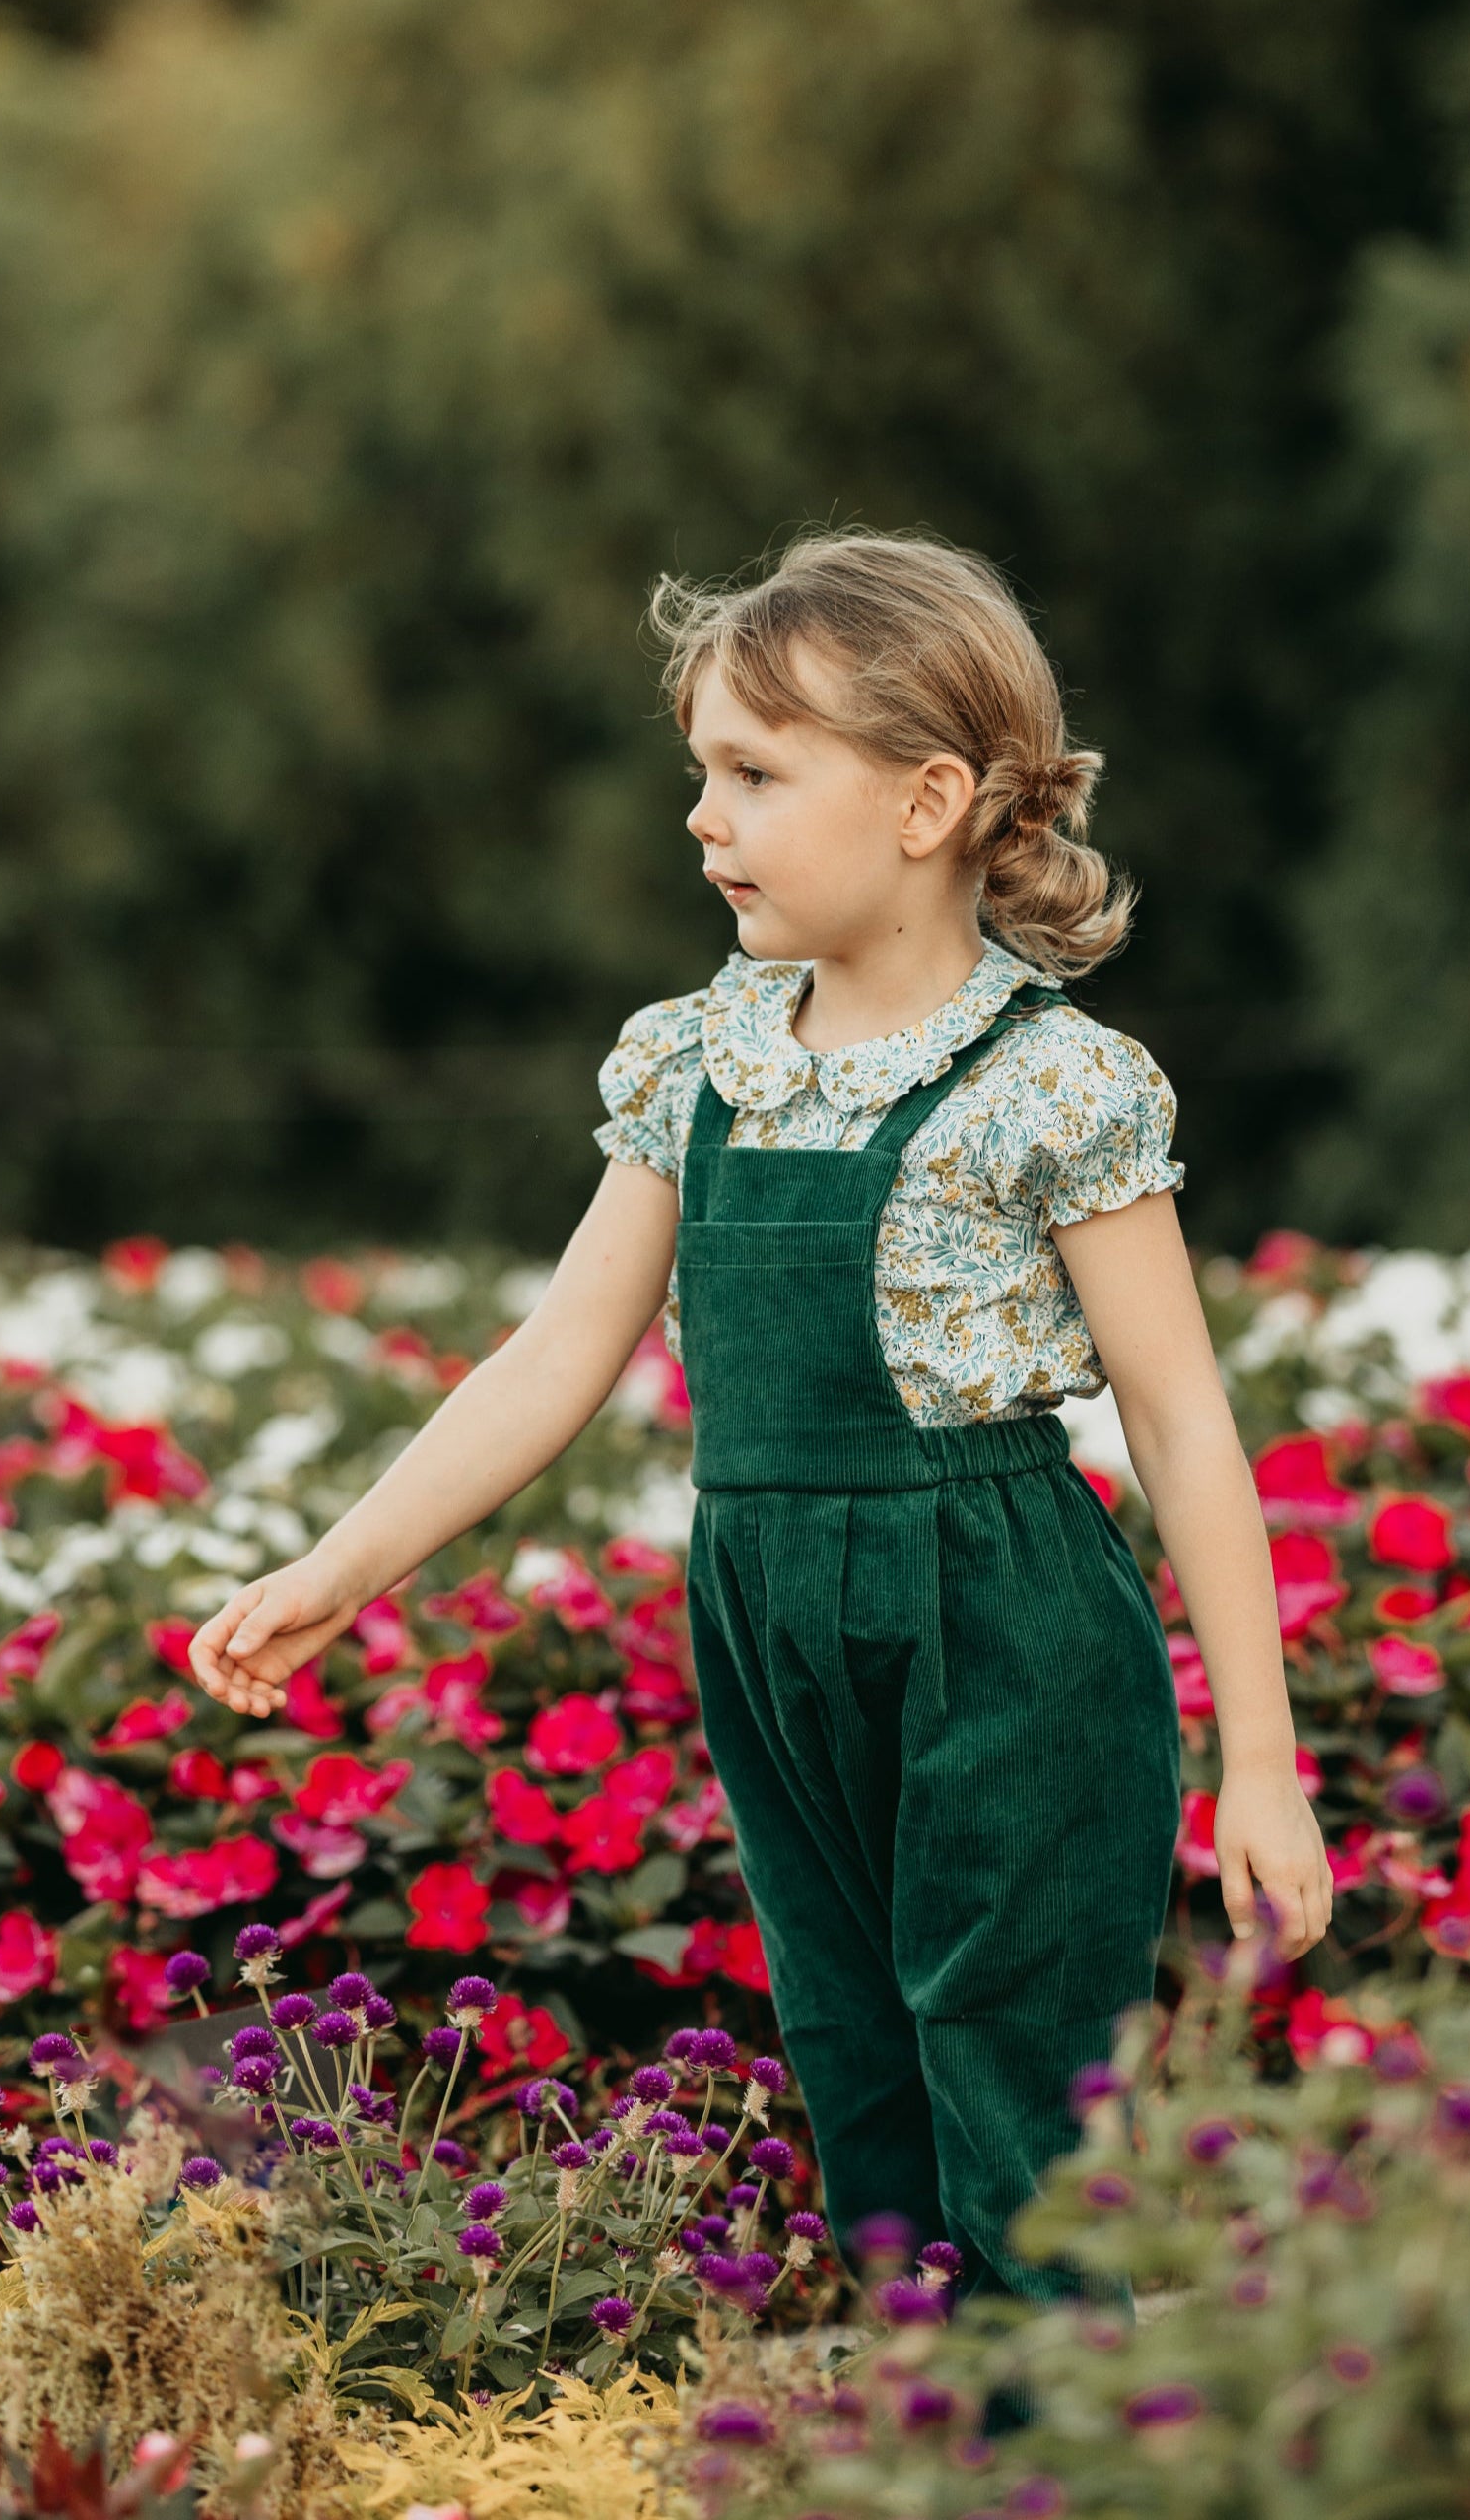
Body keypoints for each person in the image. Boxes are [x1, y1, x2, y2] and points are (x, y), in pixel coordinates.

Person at [188, 526, 1331, 2298]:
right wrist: (346, 1568)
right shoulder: (693, 1059)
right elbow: (556, 1355)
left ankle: (1066, 2449)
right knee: (854, 2048)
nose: (703, 818)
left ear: (928, 799)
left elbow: (1184, 1428)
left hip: (1002, 1622)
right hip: (769, 1610)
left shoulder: (1056, 1084)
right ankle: (913, 2433)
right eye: (700, 773)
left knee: (1012, 2057)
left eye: (752, 774)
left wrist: (1259, 1765)